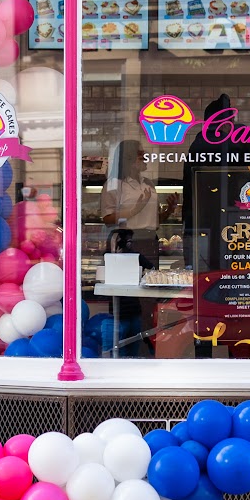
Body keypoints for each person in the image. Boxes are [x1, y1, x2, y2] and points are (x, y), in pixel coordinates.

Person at [100, 139, 158, 356]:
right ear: (129, 159)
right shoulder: (114, 185)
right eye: (140, 153)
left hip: (150, 240)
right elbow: (107, 218)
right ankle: (125, 346)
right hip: (128, 243)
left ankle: (148, 344)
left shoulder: (148, 183)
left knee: (150, 297)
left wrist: (167, 212)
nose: (145, 157)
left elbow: (151, 218)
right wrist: (134, 209)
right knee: (128, 297)